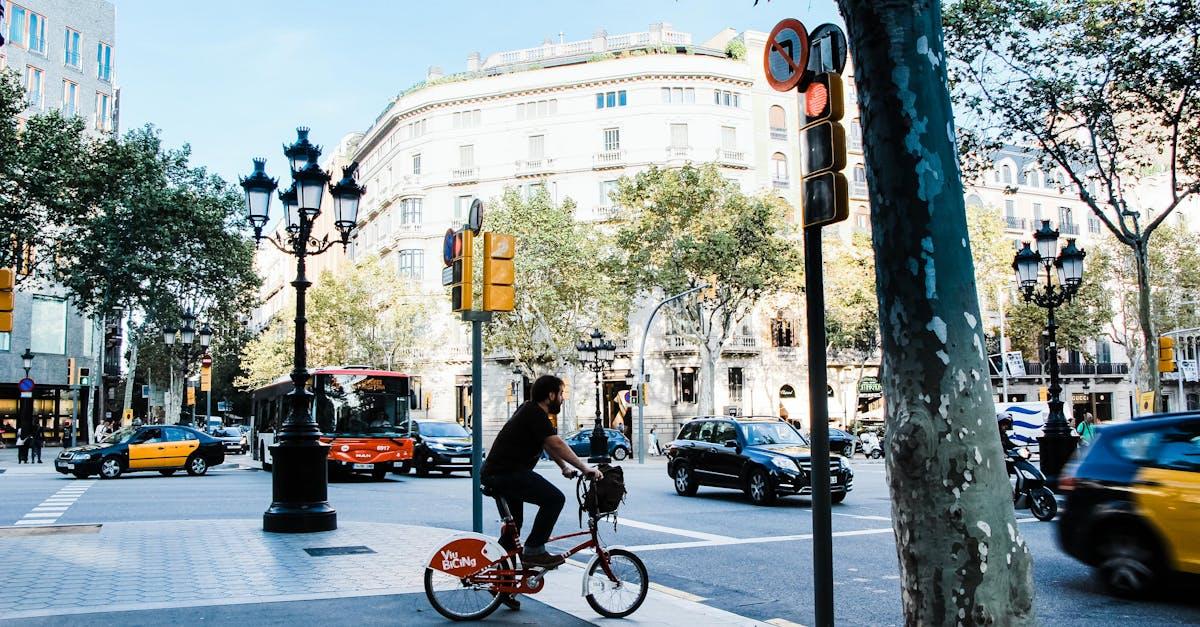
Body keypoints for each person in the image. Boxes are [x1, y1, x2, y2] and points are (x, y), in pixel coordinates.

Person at [481, 375, 603, 571]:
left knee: (514, 530)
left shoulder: (530, 410)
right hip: (505, 474)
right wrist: (585, 468)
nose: (563, 398)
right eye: (561, 394)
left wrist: (563, 467)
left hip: (500, 474)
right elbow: (556, 443)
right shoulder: (534, 413)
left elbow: (547, 443)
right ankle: (534, 551)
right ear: (550, 395)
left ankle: (503, 582)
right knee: (554, 499)